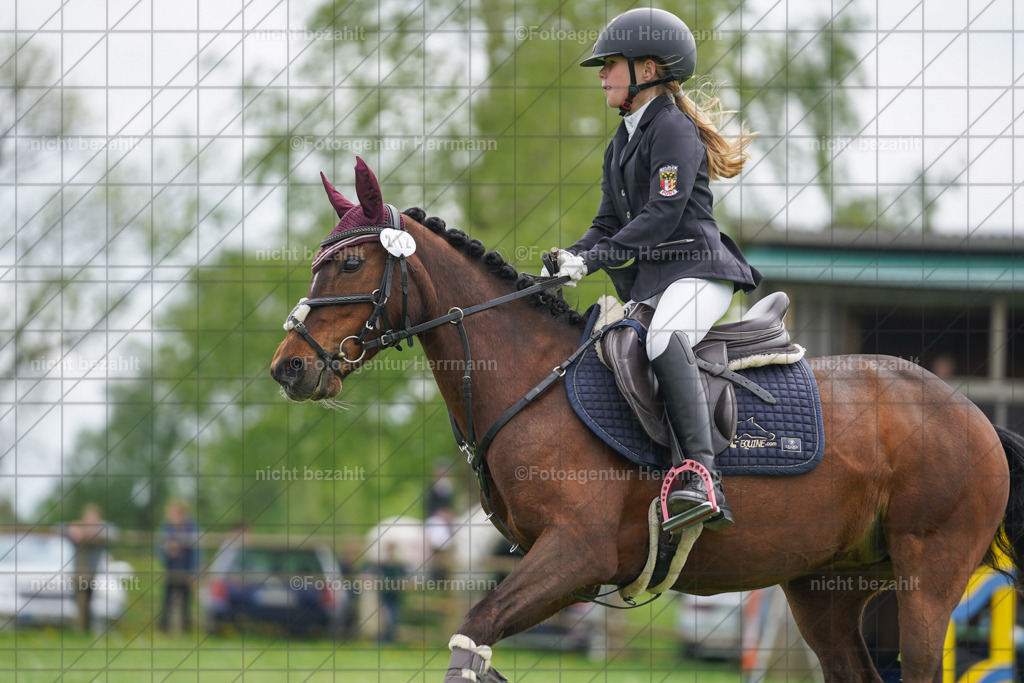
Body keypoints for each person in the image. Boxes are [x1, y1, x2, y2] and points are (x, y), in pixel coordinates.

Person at [551, 8, 762, 531]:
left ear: (646, 70)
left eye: (609, 65)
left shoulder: (674, 129)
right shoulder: (621, 141)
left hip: (698, 271)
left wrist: (595, 258)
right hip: (656, 281)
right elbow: (605, 223)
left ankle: (702, 475)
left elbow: (663, 215)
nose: (600, 74)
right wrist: (571, 257)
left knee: (663, 337)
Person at [66, 503, 118, 632]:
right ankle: (81, 628)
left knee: (93, 603)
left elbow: (114, 534)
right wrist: (73, 530)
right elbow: (59, 529)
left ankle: (88, 628)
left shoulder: (102, 531)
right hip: (81, 575)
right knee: (81, 601)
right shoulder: (77, 529)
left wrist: (91, 533)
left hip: (96, 575)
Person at [158, 498, 199, 634]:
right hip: (170, 570)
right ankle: (164, 630)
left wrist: (194, 573)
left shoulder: (191, 528)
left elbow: (197, 552)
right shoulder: (166, 527)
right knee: (167, 601)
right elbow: (158, 549)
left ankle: (186, 630)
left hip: (186, 570)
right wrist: (167, 550)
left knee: (186, 603)